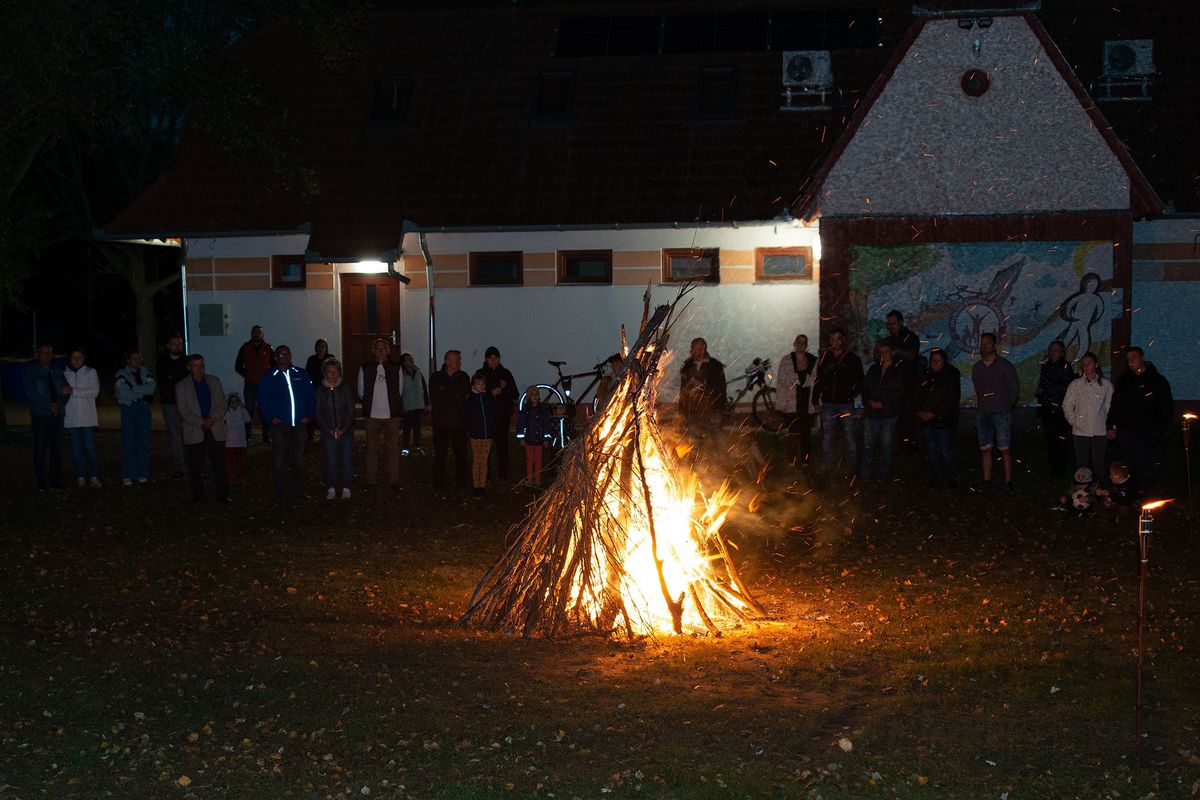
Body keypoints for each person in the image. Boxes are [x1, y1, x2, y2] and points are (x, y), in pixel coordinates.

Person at [1106, 346, 1174, 490]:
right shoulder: (1124, 380)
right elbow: (1116, 403)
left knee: (1144, 464)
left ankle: (1148, 495)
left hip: (1145, 431)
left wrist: (1159, 428)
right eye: (1128, 359)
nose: (1131, 361)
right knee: (1128, 465)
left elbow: (1166, 406)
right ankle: (1131, 494)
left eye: (1134, 357)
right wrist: (1110, 424)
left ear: (1142, 357)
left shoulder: (1156, 380)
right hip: (1125, 431)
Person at [258, 345, 316, 501]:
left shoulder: (301, 374)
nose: (284, 356)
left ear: (290, 356)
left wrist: (309, 415)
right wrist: (270, 417)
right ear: (275, 358)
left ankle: (299, 491)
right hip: (279, 424)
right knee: (279, 458)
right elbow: (262, 400)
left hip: (299, 423)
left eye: (286, 354)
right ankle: (279, 492)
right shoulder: (269, 376)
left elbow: (310, 396)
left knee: (297, 458)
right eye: (280, 354)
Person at [175, 354, 231, 503]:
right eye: (196, 366)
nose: (200, 369)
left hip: (215, 426)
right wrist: (201, 422)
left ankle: (223, 493)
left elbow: (222, 402)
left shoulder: (214, 381)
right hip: (195, 429)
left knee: (219, 462)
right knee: (196, 464)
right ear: (189, 368)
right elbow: (183, 411)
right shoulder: (182, 386)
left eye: (202, 366)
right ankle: (198, 494)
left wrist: (213, 418)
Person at [971, 332, 1020, 494]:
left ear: (994, 345)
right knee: (985, 448)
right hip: (984, 413)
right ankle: (987, 481)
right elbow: (979, 389)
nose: (984, 346)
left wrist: (1006, 406)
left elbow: (1014, 389)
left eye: (987, 343)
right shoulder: (977, 368)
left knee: (1004, 448)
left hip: (1001, 413)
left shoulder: (1005, 366)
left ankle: (1008, 481)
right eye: (982, 343)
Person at [813, 327, 863, 472]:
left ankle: (851, 467)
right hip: (828, 403)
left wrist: (850, 393)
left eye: (838, 338)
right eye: (832, 338)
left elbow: (859, 381)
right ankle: (828, 466)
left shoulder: (852, 359)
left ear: (843, 340)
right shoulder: (825, 358)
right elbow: (819, 379)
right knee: (828, 436)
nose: (835, 342)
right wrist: (816, 399)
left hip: (846, 403)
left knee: (849, 435)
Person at [357, 338, 403, 488]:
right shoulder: (365, 368)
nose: (381, 351)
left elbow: (400, 390)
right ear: (373, 351)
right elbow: (361, 391)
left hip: (391, 416)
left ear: (389, 351)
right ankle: (371, 479)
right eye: (378, 348)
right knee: (371, 448)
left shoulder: (396, 368)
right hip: (372, 415)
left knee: (393, 449)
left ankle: (394, 479)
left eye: (384, 348)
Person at [1061, 351, 1112, 481]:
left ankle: (1099, 488)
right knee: (1082, 463)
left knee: (1098, 462)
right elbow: (1067, 405)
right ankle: (1082, 490)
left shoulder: (1106, 385)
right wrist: (1074, 421)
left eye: (1089, 363)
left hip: (1099, 430)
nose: (1086, 366)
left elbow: (1110, 406)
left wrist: (1111, 426)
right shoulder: (1076, 384)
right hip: (1080, 430)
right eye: (1084, 364)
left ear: (1096, 364)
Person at [916, 348, 961, 488]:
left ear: (944, 362)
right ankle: (935, 476)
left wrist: (935, 413)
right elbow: (918, 394)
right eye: (933, 361)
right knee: (931, 448)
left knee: (944, 448)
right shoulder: (925, 375)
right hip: (926, 420)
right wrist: (919, 411)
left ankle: (951, 478)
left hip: (944, 420)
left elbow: (951, 399)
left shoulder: (951, 376)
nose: (935, 364)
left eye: (938, 361)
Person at [860, 340, 904, 481]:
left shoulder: (897, 371)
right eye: (881, 352)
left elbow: (898, 392)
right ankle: (865, 472)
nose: (883, 354)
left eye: (886, 351)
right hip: (872, 412)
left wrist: (883, 403)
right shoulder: (874, 369)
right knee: (868, 442)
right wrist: (869, 401)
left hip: (888, 413)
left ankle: (883, 473)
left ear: (891, 353)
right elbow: (865, 387)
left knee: (886, 443)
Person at [429, 349, 471, 493]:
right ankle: (439, 485)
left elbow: (463, 393)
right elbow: (436, 397)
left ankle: (461, 485)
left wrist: (447, 392)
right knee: (440, 455)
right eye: (457, 359)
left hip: (458, 423)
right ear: (448, 361)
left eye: (459, 359)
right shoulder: (436, 377)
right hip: (441, 423)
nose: (459, 362)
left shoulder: (464, 377)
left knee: (461, 455)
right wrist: (454, 394)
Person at [882, 310, 922, 454]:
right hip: (892, 387)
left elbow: (912, 355)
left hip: (908, 385)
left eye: (893, 323)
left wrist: (898, 352)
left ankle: (911, 449)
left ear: (901, 322)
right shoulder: (888, 340)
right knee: (893, 418)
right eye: (889, 324)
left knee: (908, 418)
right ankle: (895, 448)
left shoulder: (910, 337)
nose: (891, 327)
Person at [26, 343, 65, 491]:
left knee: (57, 449)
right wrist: (49, 405)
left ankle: (55, 480)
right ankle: (40, 480)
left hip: (57, 416)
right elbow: (32, 395)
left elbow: (64, 390)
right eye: (43, 353)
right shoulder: (32, 372)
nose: (47, 356)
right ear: (38, 355)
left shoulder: (57, 370)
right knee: (40, 449)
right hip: (41, 416)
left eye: (49, 353)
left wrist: (59, 405)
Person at [315, 358, 355, 500]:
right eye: (330, 372)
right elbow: (318, 412)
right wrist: (329, 430)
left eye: (336, 371)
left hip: (346, 431)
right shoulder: (320, 390)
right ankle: (330, 487)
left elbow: (351, 410)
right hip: (328, 432)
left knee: (346, 459)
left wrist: (343, 428)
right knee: (330, 460)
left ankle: (346, 486)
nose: (333, 374)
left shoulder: (345, 388)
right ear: (324, 373)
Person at [1035, 340, 1076, 478]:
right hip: (1047, 408)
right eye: (1051, 350)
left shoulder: (1066, 366)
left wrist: (1048, 390)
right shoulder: (1045, 366)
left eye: (1056, 350)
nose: (1052, 352)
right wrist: (1040, 393)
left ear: (1062, 352)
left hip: (1059, 410)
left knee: (1060, 440)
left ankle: (1061, 468)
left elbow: (1067, 386)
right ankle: (1054, 468)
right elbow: (1042, 384)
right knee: (1050, 439)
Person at [115, 350, 156, 486]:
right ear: (128, 360)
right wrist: (142, 392)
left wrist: (133, 389)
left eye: (139, 358)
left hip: (143, 408)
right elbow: (122, 394)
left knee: (143, 440)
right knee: (128, 441)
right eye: (134, 358)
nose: (137, 361)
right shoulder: (121, 374)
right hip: (128, 408)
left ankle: (142, 473)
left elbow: (151, 389)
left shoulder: (146, 372)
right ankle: (128, 474)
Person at [775, 334, 817, 467]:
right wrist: (780, 404)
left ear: (807, 345)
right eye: (799, 342)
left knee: (806, 434)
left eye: (804, 342)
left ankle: (805, 461)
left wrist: (817, 403)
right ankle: (791, 461)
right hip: (791, 403)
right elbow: (780, 384)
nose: (801, 344)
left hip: (807, 402)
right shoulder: (786, 360)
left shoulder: (813, 361)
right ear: (794, 343)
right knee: (793, 433)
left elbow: (817, 383)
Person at [479, 346, 519, 482]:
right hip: (486, 418)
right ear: (486, 359)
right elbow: (476, 393)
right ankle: (486, 477)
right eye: (491, 358)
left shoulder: (506, 374)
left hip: (502, 417)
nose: (493, 361)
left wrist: (505, 388)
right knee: (485, 449)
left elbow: (515, 394)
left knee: (503, 448)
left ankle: (503, 477)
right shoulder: (481, 374)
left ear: (499, 359)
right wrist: (491, 393)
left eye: (496, 358)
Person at [62, 348, 101, 489]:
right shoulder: (64, 373)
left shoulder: (91, 372)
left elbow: (94, 391)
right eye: (74, 357)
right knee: (76, 449)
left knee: (89, 448)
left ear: (84, 358)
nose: (77, 360)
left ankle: (93, 476)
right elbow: (61, 391)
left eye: (79, 357)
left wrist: (73, 390)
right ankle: (80, 476)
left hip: (87, 418)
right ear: (70, 359)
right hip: (71, 417)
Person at [678, 337, 727, 443]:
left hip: (711, 409)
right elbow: (683, 391)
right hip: (693, 411)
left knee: (717, 440)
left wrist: (720, 411)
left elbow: (721, 389)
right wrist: (682, 412)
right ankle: (698, 458)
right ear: (691, 349)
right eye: (696, 346)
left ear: (705, 348)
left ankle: (721, 459)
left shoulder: (715, 365)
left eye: (701, 346)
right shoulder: (687, 366)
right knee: (695, 442)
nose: (699, 349)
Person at [157, 333, 190, 479]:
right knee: (176, 437)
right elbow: (166, 381)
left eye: (180, 343)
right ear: (168, 346)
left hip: (187, 404)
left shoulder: (187, 362)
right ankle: (180, 467)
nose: (178, 346)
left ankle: (192, 466)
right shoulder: (162, 363)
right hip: (170, 403)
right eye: (175, 343)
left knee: (190, 435)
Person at [234, 324, 274, 444]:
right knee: (249, 411)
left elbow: (274, 365)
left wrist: (269, 377)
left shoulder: (268, 348)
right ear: (251, 333)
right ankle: (248, 437)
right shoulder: (245, 347)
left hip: (264, 386)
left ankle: (266, 437)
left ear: (262, 334)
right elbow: (238, 365)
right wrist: (247, 374)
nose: (256, 334)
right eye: (254, 332)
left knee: (265, 410)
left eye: (259, 332)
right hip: (250, 385)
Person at [465, 372, 497, 497]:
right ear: (473, 385)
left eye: (483, 383)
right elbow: (467, 417)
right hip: (475, 435)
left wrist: (492, 429)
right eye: (478, 383)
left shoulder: (488, 399)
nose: (481, 386)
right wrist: (471, 429)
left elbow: (493, 414)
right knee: (476, 460)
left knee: (483, 460)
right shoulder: (470, 400)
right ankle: (476, 485)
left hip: (487, 435)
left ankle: (482, 485)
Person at [517, 385, 553, 487]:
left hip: (539, 439)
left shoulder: (542, 409)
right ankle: (529, 479)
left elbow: (546, 425)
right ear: (529, 396)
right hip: (528, 439)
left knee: (538, 460)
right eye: (532, 394)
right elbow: (520, 424)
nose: (535, 396)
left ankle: (537, 479)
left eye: (536, 394)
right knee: (529, 459)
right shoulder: (525, 409)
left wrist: (546, 438)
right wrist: (521, 439)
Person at [399, 352, 429, 456]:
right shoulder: (401, 374)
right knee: (406, 428)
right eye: (408, 359)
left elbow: (424, 388)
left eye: (411, 358)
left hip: (418, 404)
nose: (411, 360)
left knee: (417, 428)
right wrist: (400, 406)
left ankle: (417, 446)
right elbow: (399, 391)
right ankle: (405, 448)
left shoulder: (418, 372)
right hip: (407, 405)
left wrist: (426, 403)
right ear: (403, 362)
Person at [304, 339, 333, 440]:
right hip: (315, 388)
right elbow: (307, 374)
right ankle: (310, 434)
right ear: (316, 348)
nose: (321, 348)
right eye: (319, 346)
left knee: (326, 412)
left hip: (327, 388)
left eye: (323, 346)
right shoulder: (311, 359)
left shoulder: (330, 358)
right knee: (313, 410)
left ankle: (326, 433)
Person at [223, 393, 251, 487]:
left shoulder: (241, 411)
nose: (234, 404)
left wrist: (243, 408)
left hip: (240, 441)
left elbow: (248, 419)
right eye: (232, 402)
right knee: (229, 463)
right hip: (229, 442)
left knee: (241, 462)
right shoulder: (226, 412)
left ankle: (241, 478)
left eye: (236, 401)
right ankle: (229, 479)